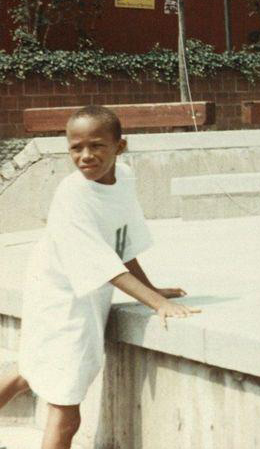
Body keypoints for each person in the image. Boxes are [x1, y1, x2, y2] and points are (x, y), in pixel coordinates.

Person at [0, 106, 199, 449]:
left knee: (32, 372)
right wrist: (157, 303)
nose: (86, 156)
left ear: (119, 147)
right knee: (66, 410)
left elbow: (121, 242)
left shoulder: (125, 177)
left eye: (97, 146)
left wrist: (152, 289)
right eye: (76, 148)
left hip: (82, 291)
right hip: (59, 298)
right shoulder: (72, 195)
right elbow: (104, 265)